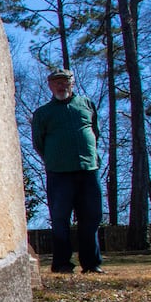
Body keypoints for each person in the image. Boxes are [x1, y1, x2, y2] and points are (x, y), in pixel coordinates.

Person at [31, 66, 103, 274]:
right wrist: (54, 159)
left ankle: (91, 264)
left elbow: (94, 132)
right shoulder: (43, 113)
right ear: (50, 86)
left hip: (88, 168)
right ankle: (62, 263)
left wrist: (90, 154)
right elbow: (39, 142)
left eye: (65, 81)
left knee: (91, 217)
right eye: (57, 82)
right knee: (60, 219)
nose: (61, 85)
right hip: (59, 172)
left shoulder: (86, 104)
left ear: (72, 83)